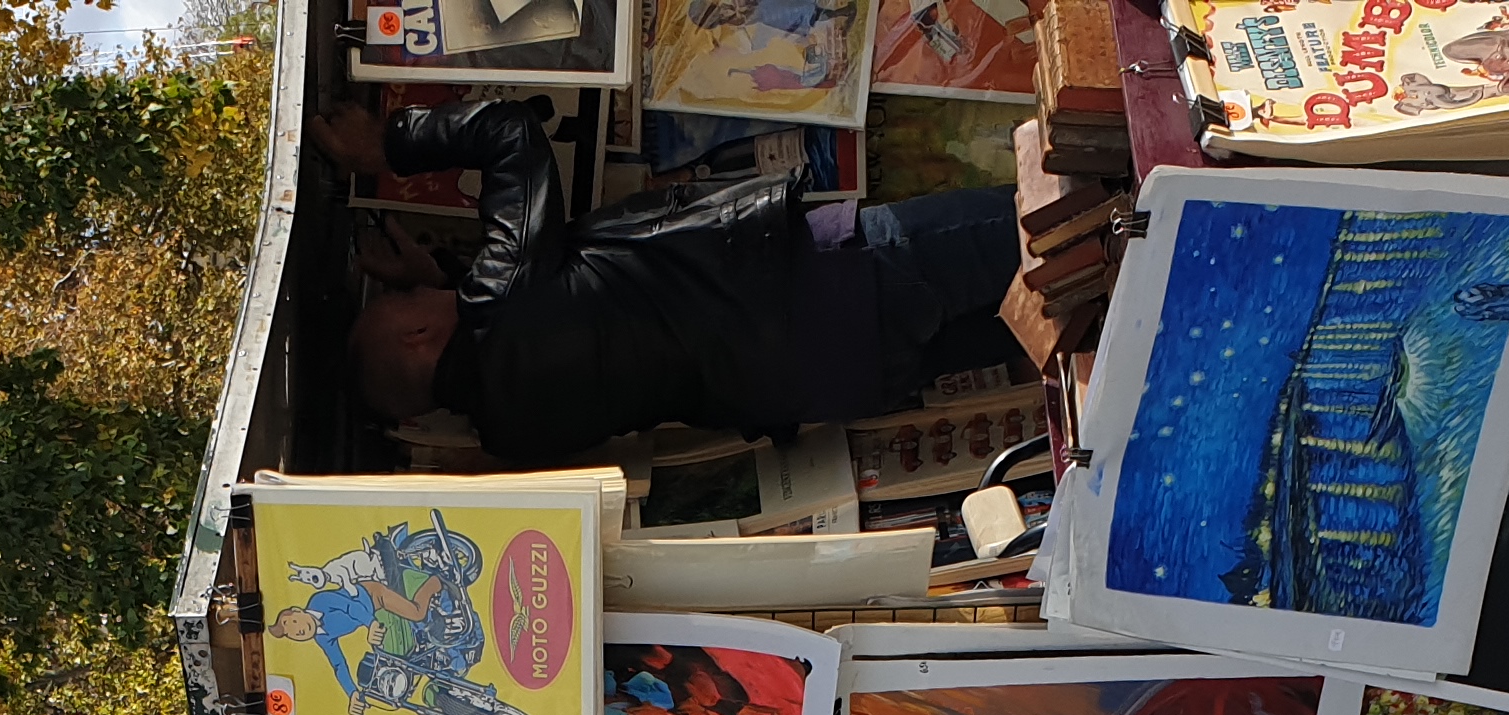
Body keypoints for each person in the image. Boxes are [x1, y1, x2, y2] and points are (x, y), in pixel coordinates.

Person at [314, 93, 1016, 463]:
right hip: (838, 281)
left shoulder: (512, 431)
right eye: (407, 301)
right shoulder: (503, 301)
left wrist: (437, 275)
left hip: (830, 379)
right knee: (1055, 226)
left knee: (1054, 317)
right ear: (413, 335)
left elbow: (567, 321)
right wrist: (390, 147)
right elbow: (508, 132)